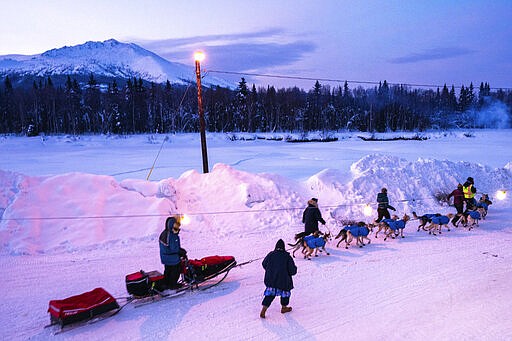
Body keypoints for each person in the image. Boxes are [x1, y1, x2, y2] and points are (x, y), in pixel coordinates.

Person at [260, 239, 297, 318]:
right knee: (285, 294)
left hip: (271, 280)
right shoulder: (287, 257)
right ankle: (284, 308)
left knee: (270, 295)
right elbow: (292, 271)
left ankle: (263, 310)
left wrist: (270, 270)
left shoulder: (270, 254)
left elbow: (264, 264)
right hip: (284, 282)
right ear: (283, 247)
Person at [159, 215, 187, 289]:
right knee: (176, 270)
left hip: (165, 257)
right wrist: (181, 251)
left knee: (168, 271)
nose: (178, 227)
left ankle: (166, 284)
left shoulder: (165, 233)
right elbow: (174, 248)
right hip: (172, 258)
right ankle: (172, 285)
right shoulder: (172, 235)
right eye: (177, 224)